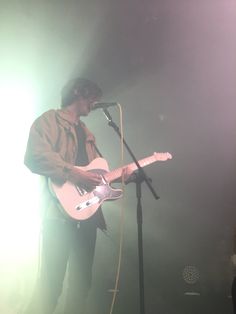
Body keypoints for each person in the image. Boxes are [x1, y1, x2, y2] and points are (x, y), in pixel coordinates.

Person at [23, 77, 131, 314]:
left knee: (81, 287)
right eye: (92, 97)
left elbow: (92, 176)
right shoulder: (49, 121)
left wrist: (119, 176)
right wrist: (74, 174)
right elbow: (34, 156)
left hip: (87, 214)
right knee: (50, 287)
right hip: (58, 215)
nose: (95, 103)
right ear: (78, 92)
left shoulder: (87, 132)